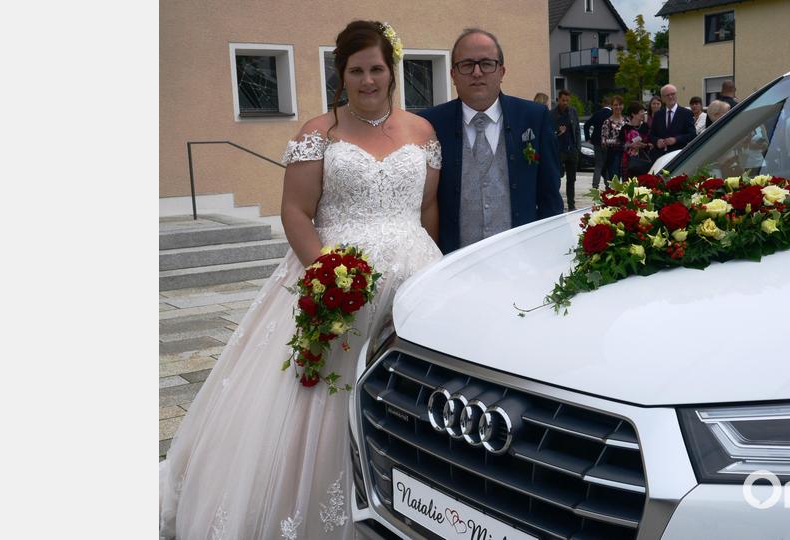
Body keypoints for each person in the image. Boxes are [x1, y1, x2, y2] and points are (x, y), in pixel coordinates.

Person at [159, 21, 443, 540]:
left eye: (376, 68)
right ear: (342, 74)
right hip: (334, 283)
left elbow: (426, 209)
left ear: (391, 69)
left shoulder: (422, 132)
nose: (367, 80)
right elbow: (295, 211)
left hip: (412, 289)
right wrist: (327, 279)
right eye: (356, 70)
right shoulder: (320, 132)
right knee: (320, 399)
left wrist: (435, 278)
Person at [420, 28, 563, 254]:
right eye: (467, 65)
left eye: (487, 63)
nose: (477, 72)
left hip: (523, 261)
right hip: (454, 266)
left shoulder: (534, 118)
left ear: (502, 71)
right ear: (453, 74)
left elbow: (550, 196)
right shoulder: (429, 125)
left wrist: (552, 252)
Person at [649, 84, 697, 161]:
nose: (670, 97)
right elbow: (651, 135)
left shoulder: (686, 113)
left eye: (673, 94)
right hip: (659, 158)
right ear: (662, 98)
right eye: (667, 95)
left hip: (678, 157)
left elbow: (692, 135)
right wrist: (657, 141)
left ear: (676, 95)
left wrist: (676, 139)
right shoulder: (658, 114)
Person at [551, 89, 581, 210]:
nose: (565, 103)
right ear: (558, 99)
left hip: (571, 150)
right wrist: (559, 132)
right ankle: (556, 204)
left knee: (571, 180)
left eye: (567, 101)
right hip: (559, 150)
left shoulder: (572, 111)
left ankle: (571, 205)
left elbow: (577, 130)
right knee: (556, 178)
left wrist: (577, 148)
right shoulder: (552, 114)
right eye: (563, 100)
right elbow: (549, 133)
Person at [618, 101, 653, 177]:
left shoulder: (645, 127)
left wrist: (643, 145)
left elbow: (651, 143)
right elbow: (619, 144)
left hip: (643, 162)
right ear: (633, 114)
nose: (643, 113)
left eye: (644, 111)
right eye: (641, 111)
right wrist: (630, 145)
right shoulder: (625, 128)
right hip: (628, 163)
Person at [584, 97, 612, 189]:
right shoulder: (612, 114)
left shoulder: (597, 114)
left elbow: (586, 125)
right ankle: (608, 185)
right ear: (611, 104)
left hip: (596, 141)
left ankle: (595, 185)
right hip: (608, 142)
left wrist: (588, 137)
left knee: (598, 165)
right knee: (608, 164)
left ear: (603, 104)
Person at [600, 95, 627, 184]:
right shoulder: (607, 122)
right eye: (615, 105)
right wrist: (618, 142)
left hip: (626, 156)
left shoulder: (627, 121)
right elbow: (604, 141)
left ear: (623, 106)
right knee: (614, 182)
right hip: (613, 155)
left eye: (620, 104)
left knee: (626, 182)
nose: (618, 107)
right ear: (611, 106)